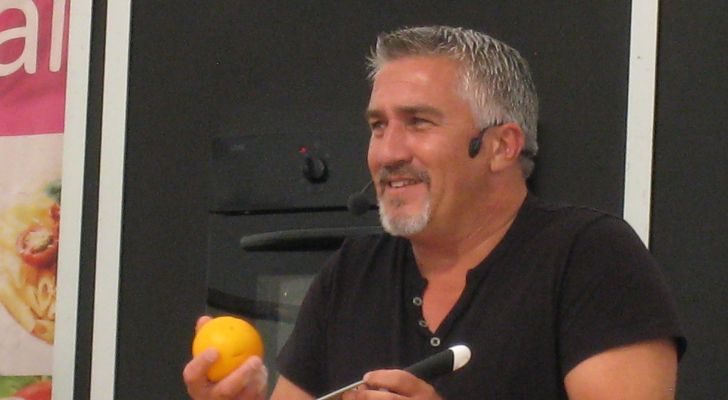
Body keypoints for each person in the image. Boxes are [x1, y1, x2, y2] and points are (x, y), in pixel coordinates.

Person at [183, 25, 685, 400]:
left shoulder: (589, 257)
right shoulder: (351, 275)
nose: (387, 153)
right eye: (378, 126)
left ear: (501, 146)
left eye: (419, 122)